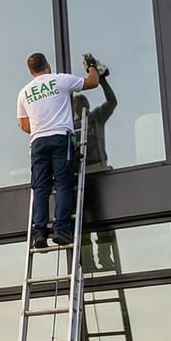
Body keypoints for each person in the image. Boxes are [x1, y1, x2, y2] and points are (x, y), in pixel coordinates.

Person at [17, 52, 100, 248]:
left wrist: (40, 125)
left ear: (31, 71)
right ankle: (61, 229)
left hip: (38, 142)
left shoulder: (24, 93)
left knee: (41, 188)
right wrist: (91, 66)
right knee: (63, 183)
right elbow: (92, 82)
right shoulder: (61, 80)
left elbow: (23, 125)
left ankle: (39, 234)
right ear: (47, 65)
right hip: (61, 138)